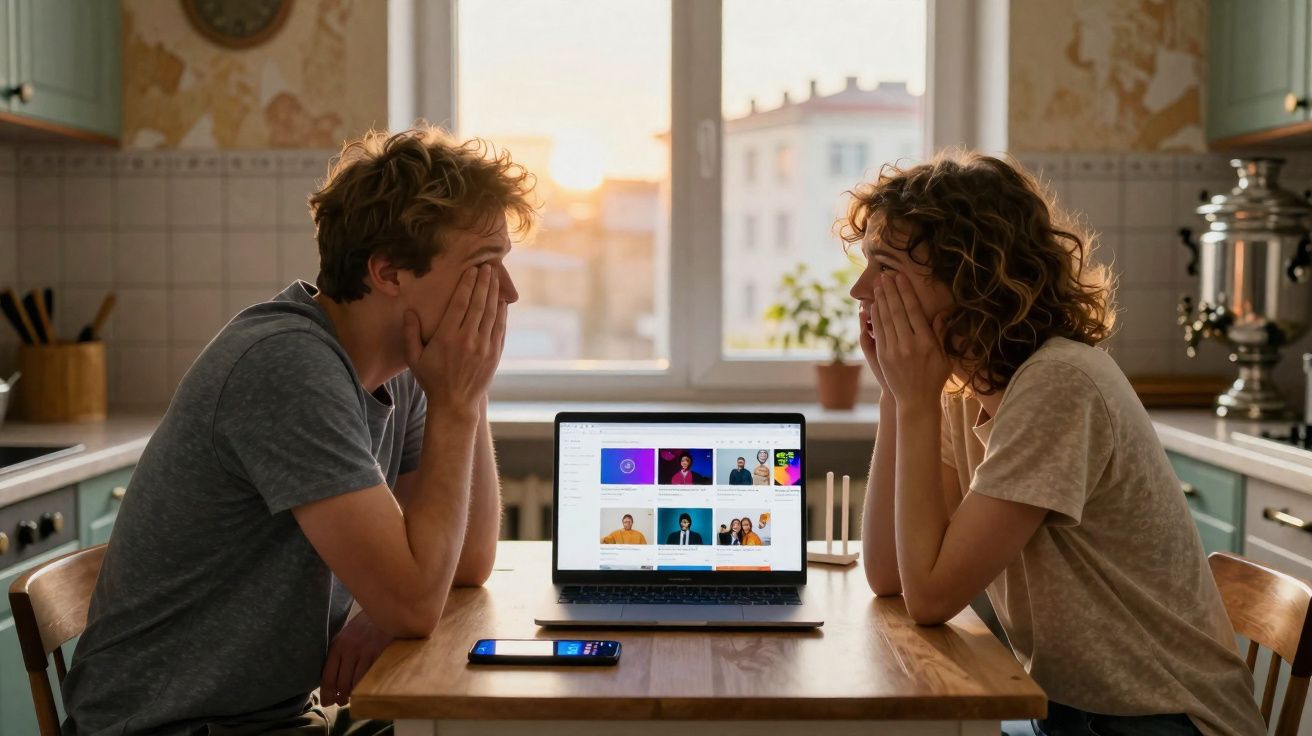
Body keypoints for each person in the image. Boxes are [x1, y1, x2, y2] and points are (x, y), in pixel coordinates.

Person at [61, 126, 535, 735]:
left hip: (270, 719)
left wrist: (470, 387)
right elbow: (418, 602)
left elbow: (465, 563)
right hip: (173, 728)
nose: (508, 294)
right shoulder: (286, 364)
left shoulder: (412, 370)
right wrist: (459, 406)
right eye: (484, 266)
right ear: (388, 271)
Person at [850, 152, 1265, 736]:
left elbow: (931, 597)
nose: (859, 289)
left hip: (1163, 721)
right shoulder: (967, 387)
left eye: (885, 267)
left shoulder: (1058, 384)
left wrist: (913, 400)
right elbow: (890, 573)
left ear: (970, 277)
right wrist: (897, 396)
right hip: (1074, 714)